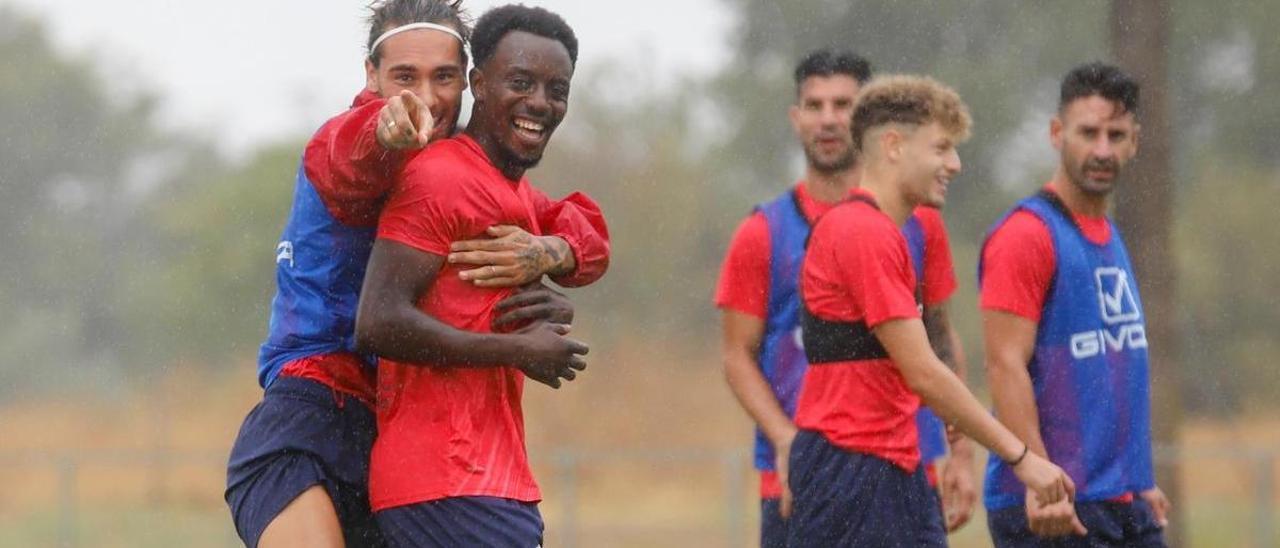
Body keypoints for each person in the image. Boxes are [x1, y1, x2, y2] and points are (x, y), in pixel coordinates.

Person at [225, 1, 609, 546]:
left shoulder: (456, 169)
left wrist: (553, 254)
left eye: (444, 77)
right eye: (405, 77)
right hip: (308, 413)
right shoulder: (345, 140)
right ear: (371, 76)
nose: (426, 97)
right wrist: (383, 130)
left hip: (388, 437)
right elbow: (351, 156)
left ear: (470, 82)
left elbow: (582, 229)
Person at [785, 75, 1076, 547]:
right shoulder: (863, 232)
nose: (955, 164)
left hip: (892, 463)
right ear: (894, 146)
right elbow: (923, 372)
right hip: (851, 468)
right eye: (941, 148)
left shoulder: (888, 233)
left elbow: (923, 368)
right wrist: (1022, 458)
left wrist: (959, 450)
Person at [354, 6, 602, 547]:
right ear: (478, 84)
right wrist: (516, 351)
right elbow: (377, 321)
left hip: (489, 481)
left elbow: (595, 237)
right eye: (520, 82)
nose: (540, 102)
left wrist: (552, 257)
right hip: (447, 483)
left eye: (556, 89)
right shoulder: (439, 176)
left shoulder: (511, 189)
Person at [715, 50, 974, 547]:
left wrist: (959, 450)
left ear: (872, 123)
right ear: (796, 118)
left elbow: (938, 338)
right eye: (814, 105)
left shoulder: (922, 222)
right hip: (802, 472)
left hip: (908, 467)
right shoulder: (762, 232)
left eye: (843, 104)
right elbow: (736, 356)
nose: (829, 118)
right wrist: (787, 440)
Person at [980, 61, 1169, 547]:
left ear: (1135, 142)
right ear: (1057, 133)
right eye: (1088, 132)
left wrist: (1138, 476)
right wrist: (1041, 480)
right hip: (1055, 508)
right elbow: (1004, 366)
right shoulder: (1026, 235)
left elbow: (1112, 366)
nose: (1102, 149)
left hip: (1123, 501)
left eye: (1116, 134)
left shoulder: (1110, 236)